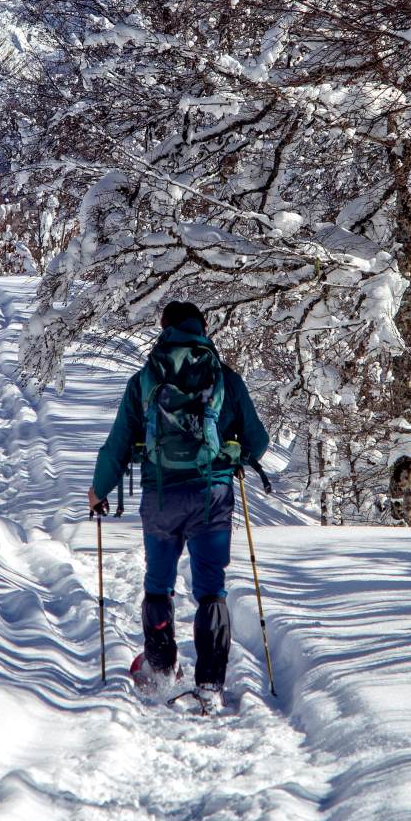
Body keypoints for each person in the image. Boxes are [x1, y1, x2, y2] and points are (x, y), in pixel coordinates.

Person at [88, 300, 268, 700]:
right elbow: (259, 442)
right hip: (212, 495)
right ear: (202, 329)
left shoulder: (145, 380)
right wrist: (236, 451)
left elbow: (117, 446)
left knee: (158, 584)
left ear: (165, 330)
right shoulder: (225, 379)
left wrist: (99, 491)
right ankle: (209, 684)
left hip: (160, 495)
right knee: (210, 589)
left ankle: (161, 668)